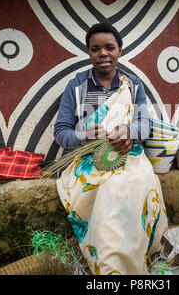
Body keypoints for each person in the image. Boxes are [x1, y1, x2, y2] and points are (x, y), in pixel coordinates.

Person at [54, 22, 169, 275]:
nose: (102, 53)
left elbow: (144, 124)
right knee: (108, 188)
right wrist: (84, 137)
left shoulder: (134, 85)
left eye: (109, 47)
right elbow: (61, 131)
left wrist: (130, 132)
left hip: (128, 157)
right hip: (87, 161)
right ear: (89, 53)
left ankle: (137, 256)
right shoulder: (76, 86)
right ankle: (111, 265)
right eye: (95, 49)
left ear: (119, 50)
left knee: (139, 181)